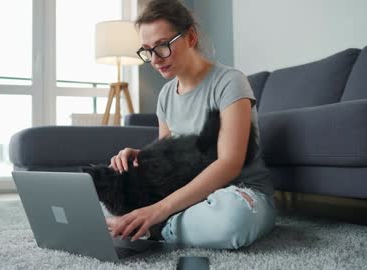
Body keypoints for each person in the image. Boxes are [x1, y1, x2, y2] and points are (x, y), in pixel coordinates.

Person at [106, 0, 276, 250]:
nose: (154, 59)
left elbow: (229, 164)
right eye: (147, 50)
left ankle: (155, 228)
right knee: (108, 194)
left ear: (191, 37)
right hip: (189, 197)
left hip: (238, 194)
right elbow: (168, 159)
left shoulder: (230, 82)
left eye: (162, 46)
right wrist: (140, 156)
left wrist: (158, 210)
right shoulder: (165, 95)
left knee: (231, 221)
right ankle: (154, 224)